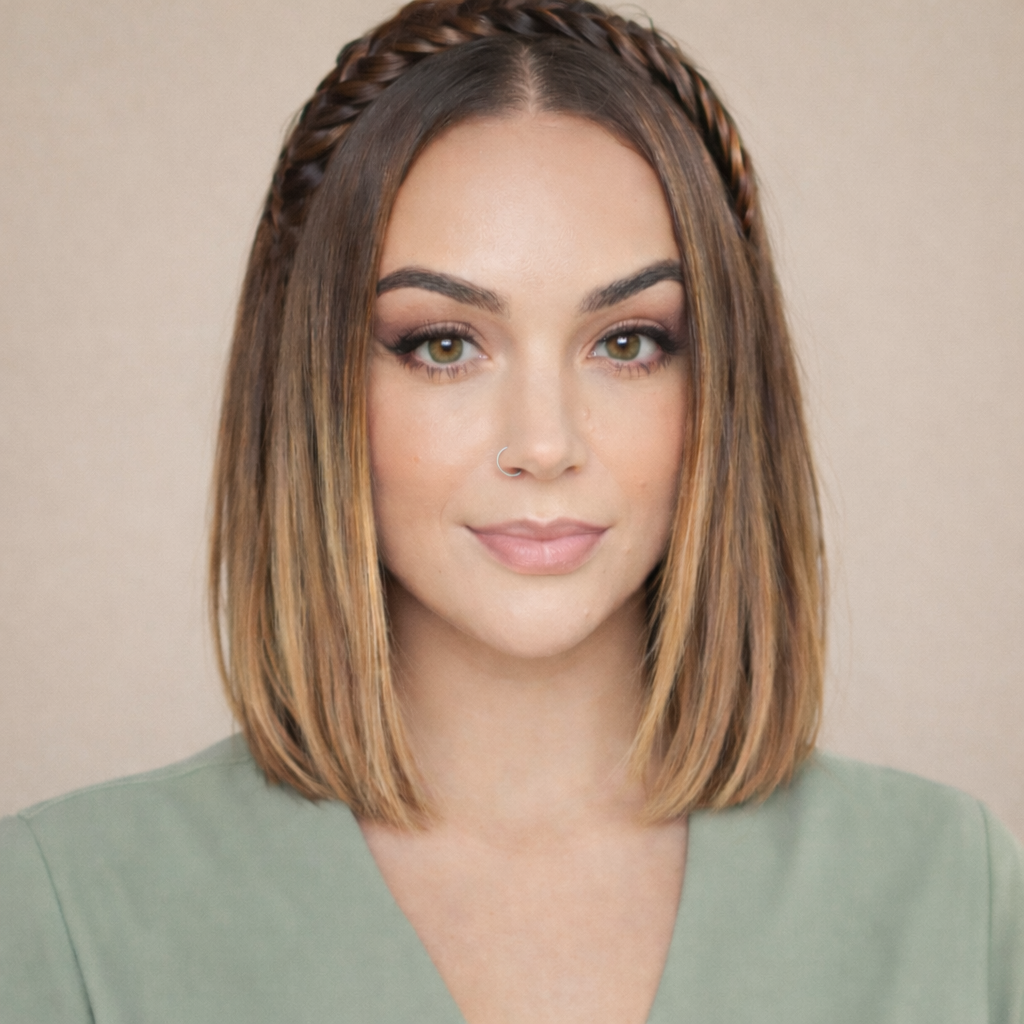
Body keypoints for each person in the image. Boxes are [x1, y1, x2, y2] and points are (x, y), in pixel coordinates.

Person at [1, 0, 1021, 1020]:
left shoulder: (950, 891)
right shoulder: (63, 908)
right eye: (444, 343)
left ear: (720, 386)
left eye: (627, 342)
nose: (543, 443)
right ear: (314, 382)